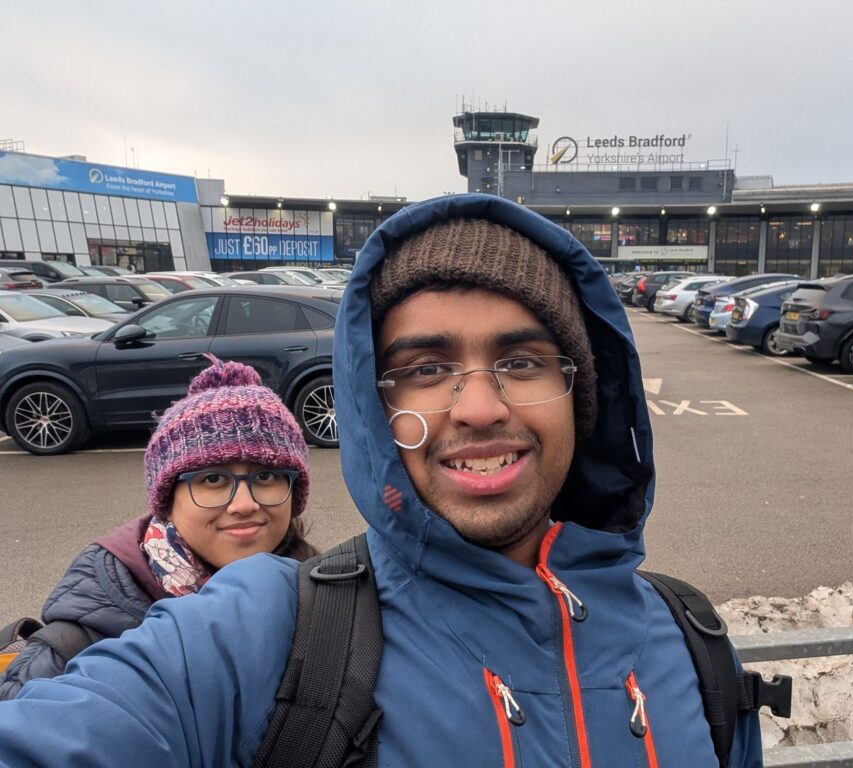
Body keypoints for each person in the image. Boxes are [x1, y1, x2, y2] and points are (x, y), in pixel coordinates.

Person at [0, 194, 763, 766]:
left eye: (523, 362)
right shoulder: (272, 632)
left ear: (583, 397)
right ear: (374, 403)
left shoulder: (692, 645)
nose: (478, 407)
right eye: (426, 369)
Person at [0, 355, 316, 700]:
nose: (244, 504)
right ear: (167, 500)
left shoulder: (325, 591)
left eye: (266, 475)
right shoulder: (82, 646)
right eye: (212, 479)